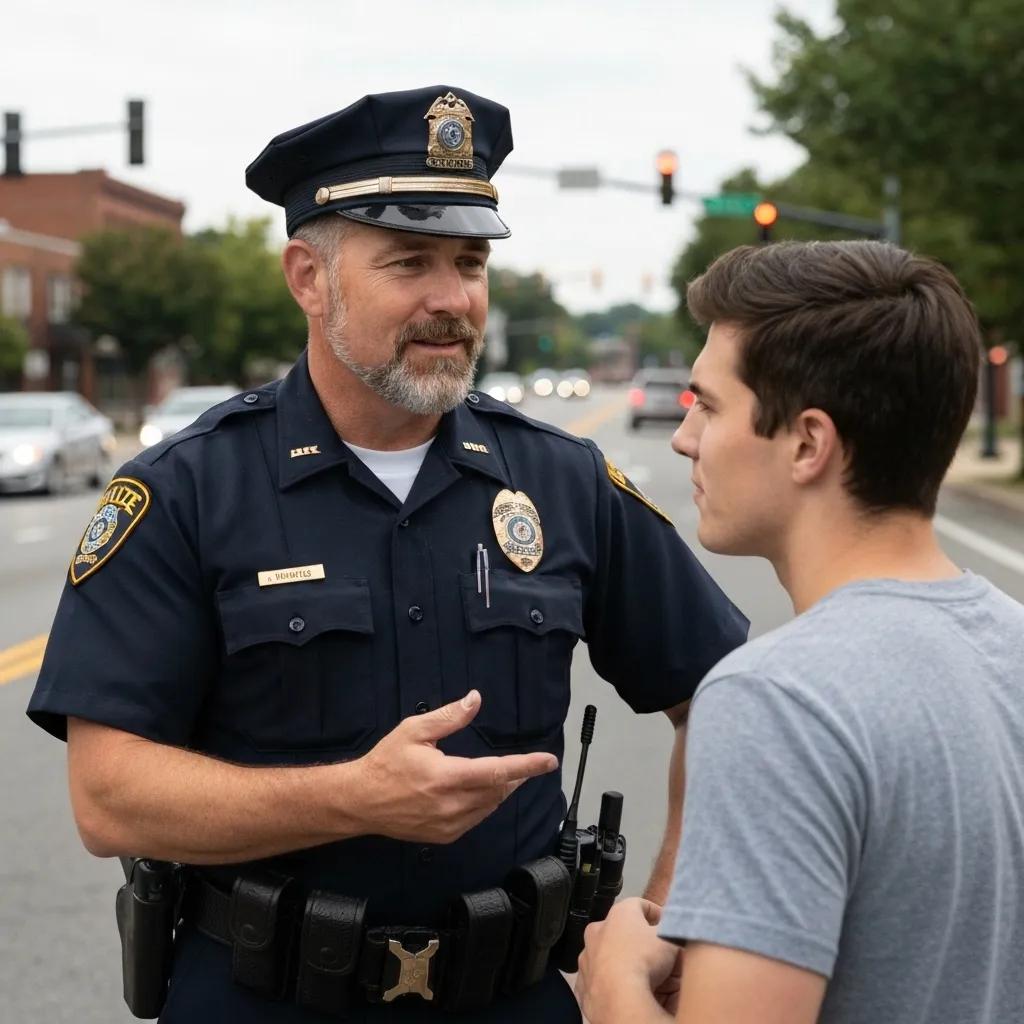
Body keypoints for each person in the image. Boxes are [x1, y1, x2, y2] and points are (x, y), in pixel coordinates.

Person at [26, 85, 748, 1023]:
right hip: (262, 996)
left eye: (470, 262)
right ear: (307, 278)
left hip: (516, 996)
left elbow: (730, 700)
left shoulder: (560, 482)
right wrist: (354, 798)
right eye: (409, 261)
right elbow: (109, 797)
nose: (452, 300)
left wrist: (667, 922)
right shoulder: (186, 493)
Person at [576, 239, 1024, 1024]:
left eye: (709, 407)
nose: (684, 439)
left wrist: (612, 979)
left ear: (809, 443)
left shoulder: (775, 701)